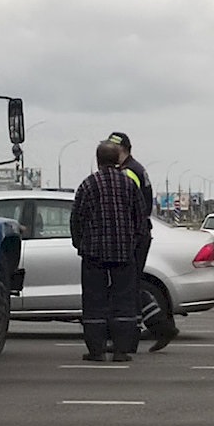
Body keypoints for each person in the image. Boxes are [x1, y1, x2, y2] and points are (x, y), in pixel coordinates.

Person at [69, 141, 148, 362]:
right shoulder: (128, 184)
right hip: (124, 254)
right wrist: (134, 245)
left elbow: (77, 218)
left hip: (94, 255)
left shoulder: (88, 184)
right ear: (117, 160)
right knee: (124, 303)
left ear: (97, 160)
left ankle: (96, 350)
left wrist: (80, 243)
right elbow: (140, 218)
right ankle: (121, 351)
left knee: (94, 302)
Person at [106, 131, 179, 353]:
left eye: (113, 148)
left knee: (126, 287)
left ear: (123, 150)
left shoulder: (128, 173)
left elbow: (125, 204)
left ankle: (150, 330)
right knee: (132, 286)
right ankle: (157, 327)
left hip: (132, 236)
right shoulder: (135, 169)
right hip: (138, 234)